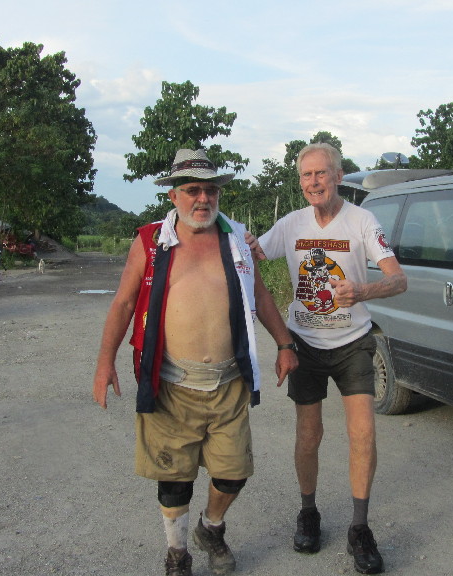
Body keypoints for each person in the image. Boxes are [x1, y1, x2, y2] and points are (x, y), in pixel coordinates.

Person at [93, 148, 299, 576]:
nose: (203, 198)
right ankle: (177, 554)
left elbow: (260, 296)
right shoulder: (151, 241)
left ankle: (212, 526)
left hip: (229, 383)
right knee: (174, 480)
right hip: (171, 384)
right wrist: (104, 362)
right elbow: (124, 302)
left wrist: (284, 343)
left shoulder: (237, 239)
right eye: (192, 190)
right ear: (173, 196)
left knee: (233, 474)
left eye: (210, 190)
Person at [249, 143, 407, 575]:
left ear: (338, 176)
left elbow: (398, 280)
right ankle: (308, 513)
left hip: (353, 343)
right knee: (308, 434)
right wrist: (238, 240)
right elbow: (253, 254)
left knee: (363, 433)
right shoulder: (291, 224)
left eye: (322, 174)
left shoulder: (362, 221)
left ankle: (360, 528)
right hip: (305, 343)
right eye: (307, 175)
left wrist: (363, 290)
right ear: (300, 181)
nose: (314, 182)